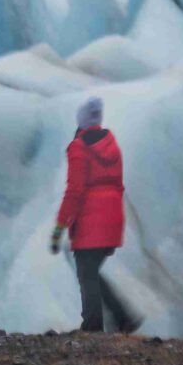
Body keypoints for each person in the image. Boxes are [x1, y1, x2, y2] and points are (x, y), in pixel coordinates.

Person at [49, 95, 132, 332]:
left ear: (82, 121)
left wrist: (58, 229)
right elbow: (117, 184)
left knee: (86, 273)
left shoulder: (79, 147)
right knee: (91, 271)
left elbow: (74, 191)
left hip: (90, 221)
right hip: (113, 218)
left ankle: (93, 327)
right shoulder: (112, 144)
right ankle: (124, 318)